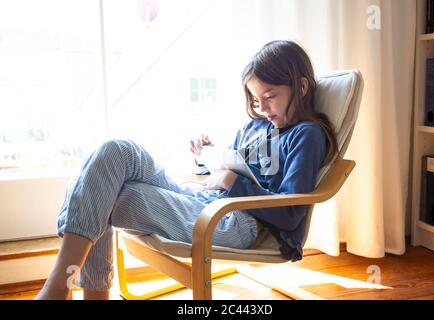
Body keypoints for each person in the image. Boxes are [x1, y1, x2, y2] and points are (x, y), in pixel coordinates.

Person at [35, 40, 338, 300]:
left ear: (300, 86)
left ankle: (63, 287)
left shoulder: (305, 134)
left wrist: (233, 182)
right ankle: (62, 284)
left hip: (236, 221)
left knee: (107, 193)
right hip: (207, 202)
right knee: (116, 152)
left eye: (270, 96)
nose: (263, 108)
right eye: (257, 100)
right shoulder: (255, 126)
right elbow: (232, 173)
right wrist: (207, 157)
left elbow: (290, 211)